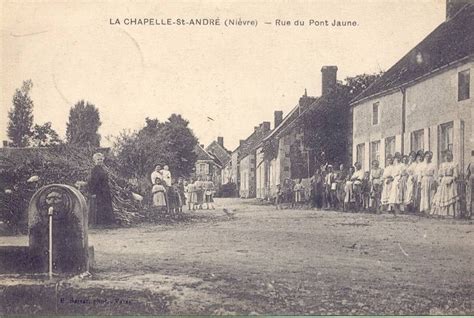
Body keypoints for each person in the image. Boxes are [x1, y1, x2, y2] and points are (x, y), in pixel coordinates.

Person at [88, 153, 115, 226]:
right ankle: (100, 223)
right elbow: (93, 182)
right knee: (100, 207)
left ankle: (107, 223)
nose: (99, 161)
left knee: (106, 206)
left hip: (105, 191)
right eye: (98, 159)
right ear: (94, 160)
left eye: (101, 159)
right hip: (99, 191)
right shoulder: (94, 170)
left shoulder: (102, 169)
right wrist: (93, 192)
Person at [435, 151, 459, 217]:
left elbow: (456, 175)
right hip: (443, 182)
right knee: (442, 196)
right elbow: (439, 174)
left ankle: (450, 213)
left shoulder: (454, 164)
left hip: (451, 182)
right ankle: (442, 213)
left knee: (450, 196)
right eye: (446, 156)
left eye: (449, 156)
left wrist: (451, 179)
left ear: (451, 156)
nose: (447, 157)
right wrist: (440, 179)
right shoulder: (442, 165)